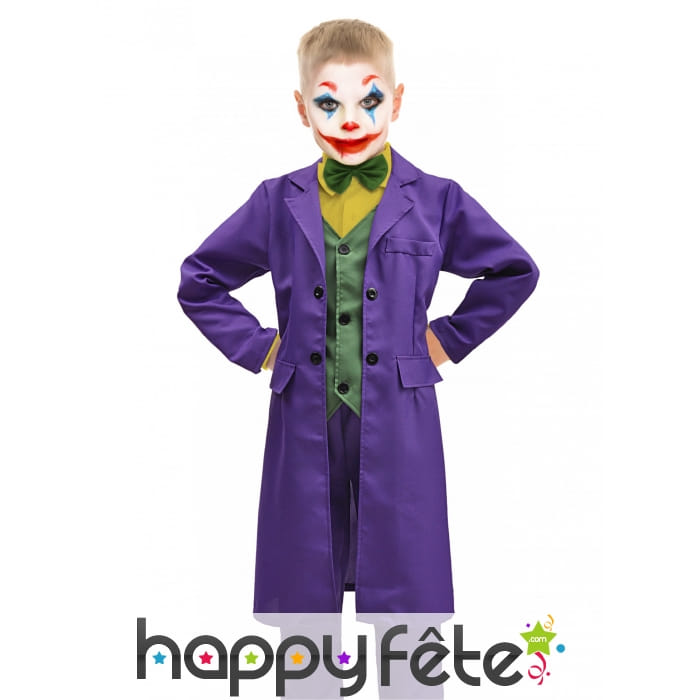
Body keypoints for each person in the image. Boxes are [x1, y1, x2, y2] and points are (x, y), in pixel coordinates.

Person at [178, 18, 539, 698]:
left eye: (369, 100)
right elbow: (200, 280)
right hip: (303, 416)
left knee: (408, 591)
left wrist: (447, 338)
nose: (349, 119)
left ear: (397, 101)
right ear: (301, 108)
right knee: (303, 595)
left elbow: (515, 271)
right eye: (328, 102)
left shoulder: (437, 200)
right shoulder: (276, 201)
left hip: (400, 416)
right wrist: (261, 347)